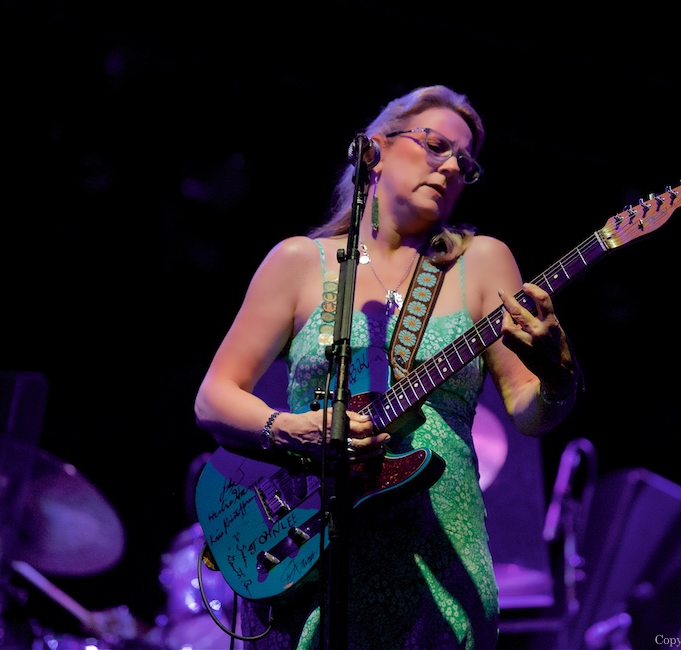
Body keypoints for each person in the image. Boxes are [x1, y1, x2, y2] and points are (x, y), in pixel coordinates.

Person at [193, 84, 581, 650]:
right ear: (375, 148)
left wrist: (560, 375)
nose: (451, 167)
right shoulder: (299, 262)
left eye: (465, 163)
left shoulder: (482, 261)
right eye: (436, 145)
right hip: (305, 545)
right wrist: (294, 428)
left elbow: (529, 411)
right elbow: (214, 397)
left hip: (439, 550)